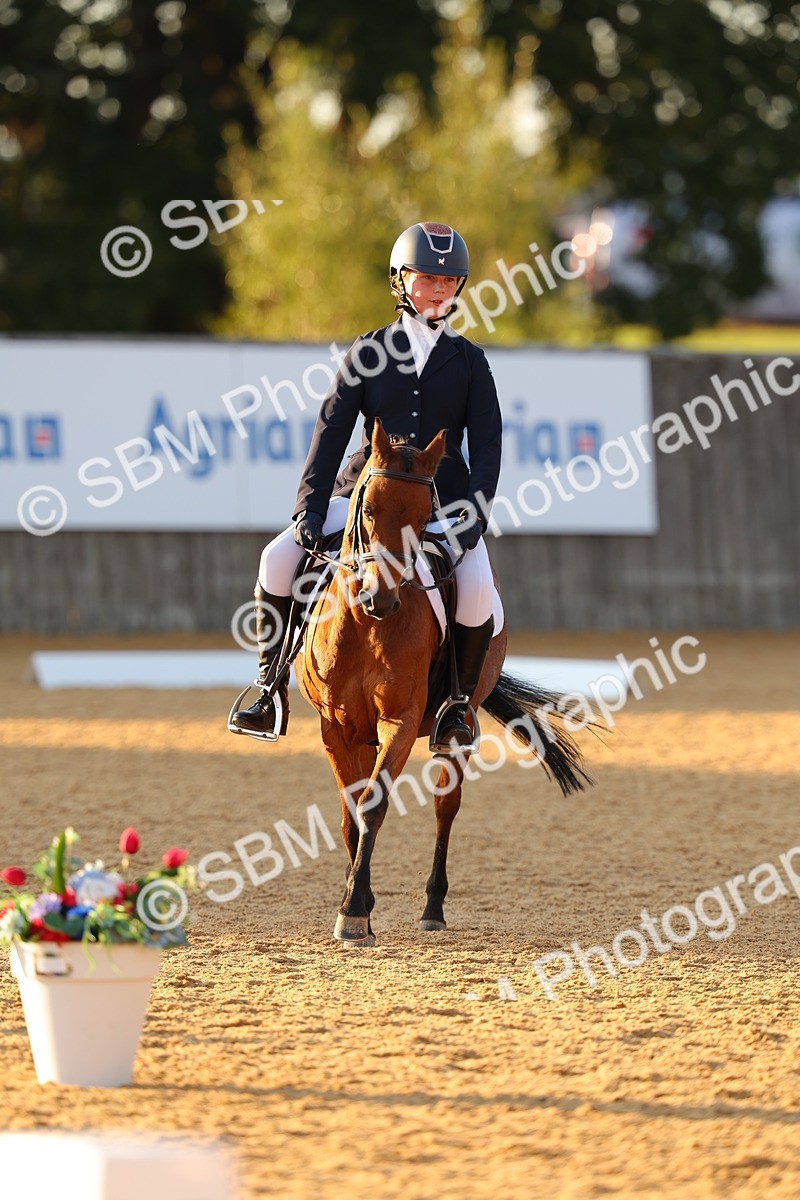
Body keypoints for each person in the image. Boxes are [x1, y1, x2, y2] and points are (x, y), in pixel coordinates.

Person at [229, 221, 503, 753]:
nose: (441, 289)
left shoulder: (470, 361)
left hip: (443, 507)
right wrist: (308, 508)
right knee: (276, 559)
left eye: (450, 281)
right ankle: (269, 687)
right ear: (401, 281)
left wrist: (472, 521)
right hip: (365, 498)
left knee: (475, 590)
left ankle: (455, 709)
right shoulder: (368, 351)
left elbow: (488, 447)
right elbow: (330, 430)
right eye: (429, 278)